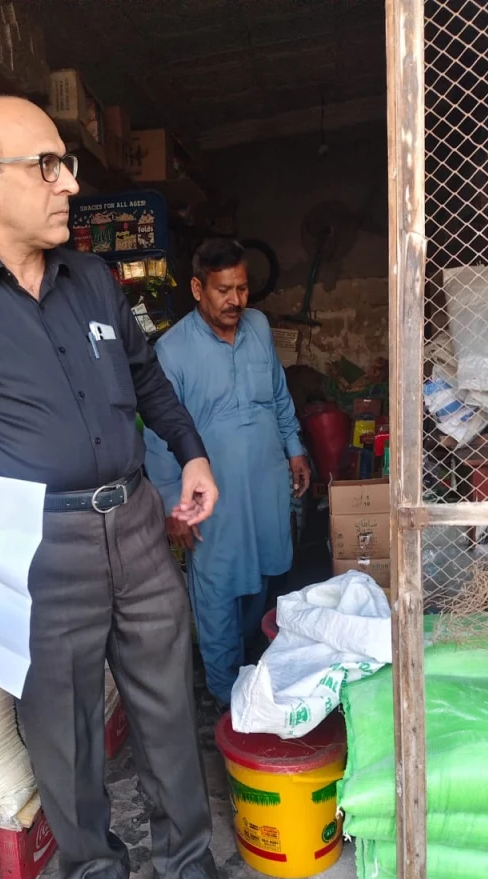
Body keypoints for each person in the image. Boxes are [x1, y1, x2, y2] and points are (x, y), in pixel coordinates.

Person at [0, 96, 274, 879]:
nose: (68, 184)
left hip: (135, 521)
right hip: (35, 546)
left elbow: (147, 382)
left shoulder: (92, 280)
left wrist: (193, 454)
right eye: (47, 165)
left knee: (167, 707)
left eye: (66, 164)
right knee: (62, 738)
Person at [144, 239, 311, 710]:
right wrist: (171, 505)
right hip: (211, 499)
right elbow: (158, 435)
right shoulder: (172, 351)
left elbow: (278, 395)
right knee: (217, 591)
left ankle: (255, 678)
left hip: (265, 486)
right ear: (198, 289)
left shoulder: (258, 326)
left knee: (263, 579)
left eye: (242, 288)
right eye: (223, 290)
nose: (235, 300)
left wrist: (295, 449)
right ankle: (226, 699)